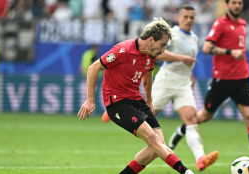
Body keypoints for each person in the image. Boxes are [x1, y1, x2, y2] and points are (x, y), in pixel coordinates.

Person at [167, 0, 249, 173]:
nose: (237, 6)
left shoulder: (243, 24)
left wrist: (243, 59)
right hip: (223, 80)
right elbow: (207, 47)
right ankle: (182, 129)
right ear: (227, 5)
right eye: (233, 3)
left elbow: (239, 47)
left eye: (240, 3)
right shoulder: (220, 24)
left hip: (242, 79)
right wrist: (230, 52)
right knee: (203, 116)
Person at [77, 18, 194, 174]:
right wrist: (90, 100)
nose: (163, 50)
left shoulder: (150, 55)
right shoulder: (122, 50)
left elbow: (147, 74)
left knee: (158, 146)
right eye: (162, 45)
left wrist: (149, 100)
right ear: (151, 40)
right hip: (117, 103)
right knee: (153, 140)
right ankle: (186, 172)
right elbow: (93, 67)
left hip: (137, 100)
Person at [151, 5, 218, 171]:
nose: (189, 20)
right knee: (147, 116)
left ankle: (200, 158)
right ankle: (117, 111)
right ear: (179, 18)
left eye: (192, 17)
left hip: (183, 84)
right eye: (186, 17)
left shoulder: (194, 38)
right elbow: (158, 53)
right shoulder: (172, 34)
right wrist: (181, 58)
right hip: (166, 80)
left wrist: (191, 77)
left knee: (191, 120)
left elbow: (188, 63)